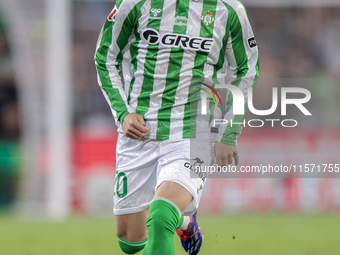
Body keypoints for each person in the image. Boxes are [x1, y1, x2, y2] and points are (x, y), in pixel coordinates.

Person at [94, 0, 259, 254]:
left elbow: (246, 70)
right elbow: (105, 57)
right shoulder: (134, 3)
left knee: (160, 216)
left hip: (194, 131)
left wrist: (229, 130)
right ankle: (185, 221)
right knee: (130, 241)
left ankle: (173, 217)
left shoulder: (228, 9)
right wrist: (123, 113)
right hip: (141, 132)